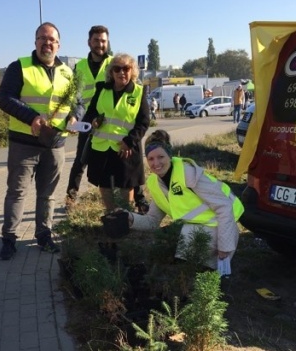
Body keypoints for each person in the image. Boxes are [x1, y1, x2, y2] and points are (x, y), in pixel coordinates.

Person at [0, 22, 76, 260]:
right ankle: (9, 239)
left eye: (51, 39)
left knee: (47, 194)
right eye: (42, 38)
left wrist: (75, 115)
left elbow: (77, 102)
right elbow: (4, 98)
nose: (47, 43)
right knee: (17, 192)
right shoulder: (19, 67)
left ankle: (44, 235)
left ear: (58, 44)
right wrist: (31, 117)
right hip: (24, 143)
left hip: (55, 144)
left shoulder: (68, 72)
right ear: (35, 42)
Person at [127, 130, 244, 272]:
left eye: (160, 157)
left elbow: (224, 207)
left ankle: (208, 273)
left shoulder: (187, 173)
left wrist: (225, 245)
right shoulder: (155, 183)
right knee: (184, 262)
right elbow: (152, 221)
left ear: (170, 155)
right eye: (151, 159)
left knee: (196, 266)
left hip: (223, 223)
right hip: (197, 226)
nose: (156, 163)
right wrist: (129, 218)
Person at [64, 25, 149, 214]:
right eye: (96, 40)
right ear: (89, 42)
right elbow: (74, 96)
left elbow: (139, 110)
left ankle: (139, 200)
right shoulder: (80, 67)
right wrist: (77, 118)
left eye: (103, 41)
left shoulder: (114, 61)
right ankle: (71, 198)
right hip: (90, 123)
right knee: (80, 161)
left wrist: (130, 139)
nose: (100, 44)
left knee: (128, 174)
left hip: (121, 136)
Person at [82, 53, 150, 212]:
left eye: (126, 68)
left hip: (125, 148)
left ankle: (126, 217)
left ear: (132, 70)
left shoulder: (138, 92)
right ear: (111, 72)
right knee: (104, 185)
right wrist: (93, 120)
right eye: (117, 69)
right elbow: (90, 113)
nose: (122, 72)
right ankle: (111, 215)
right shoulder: (101, 89)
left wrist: (129, 141)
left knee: (126, 186)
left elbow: (144, 122)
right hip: (101, 147)